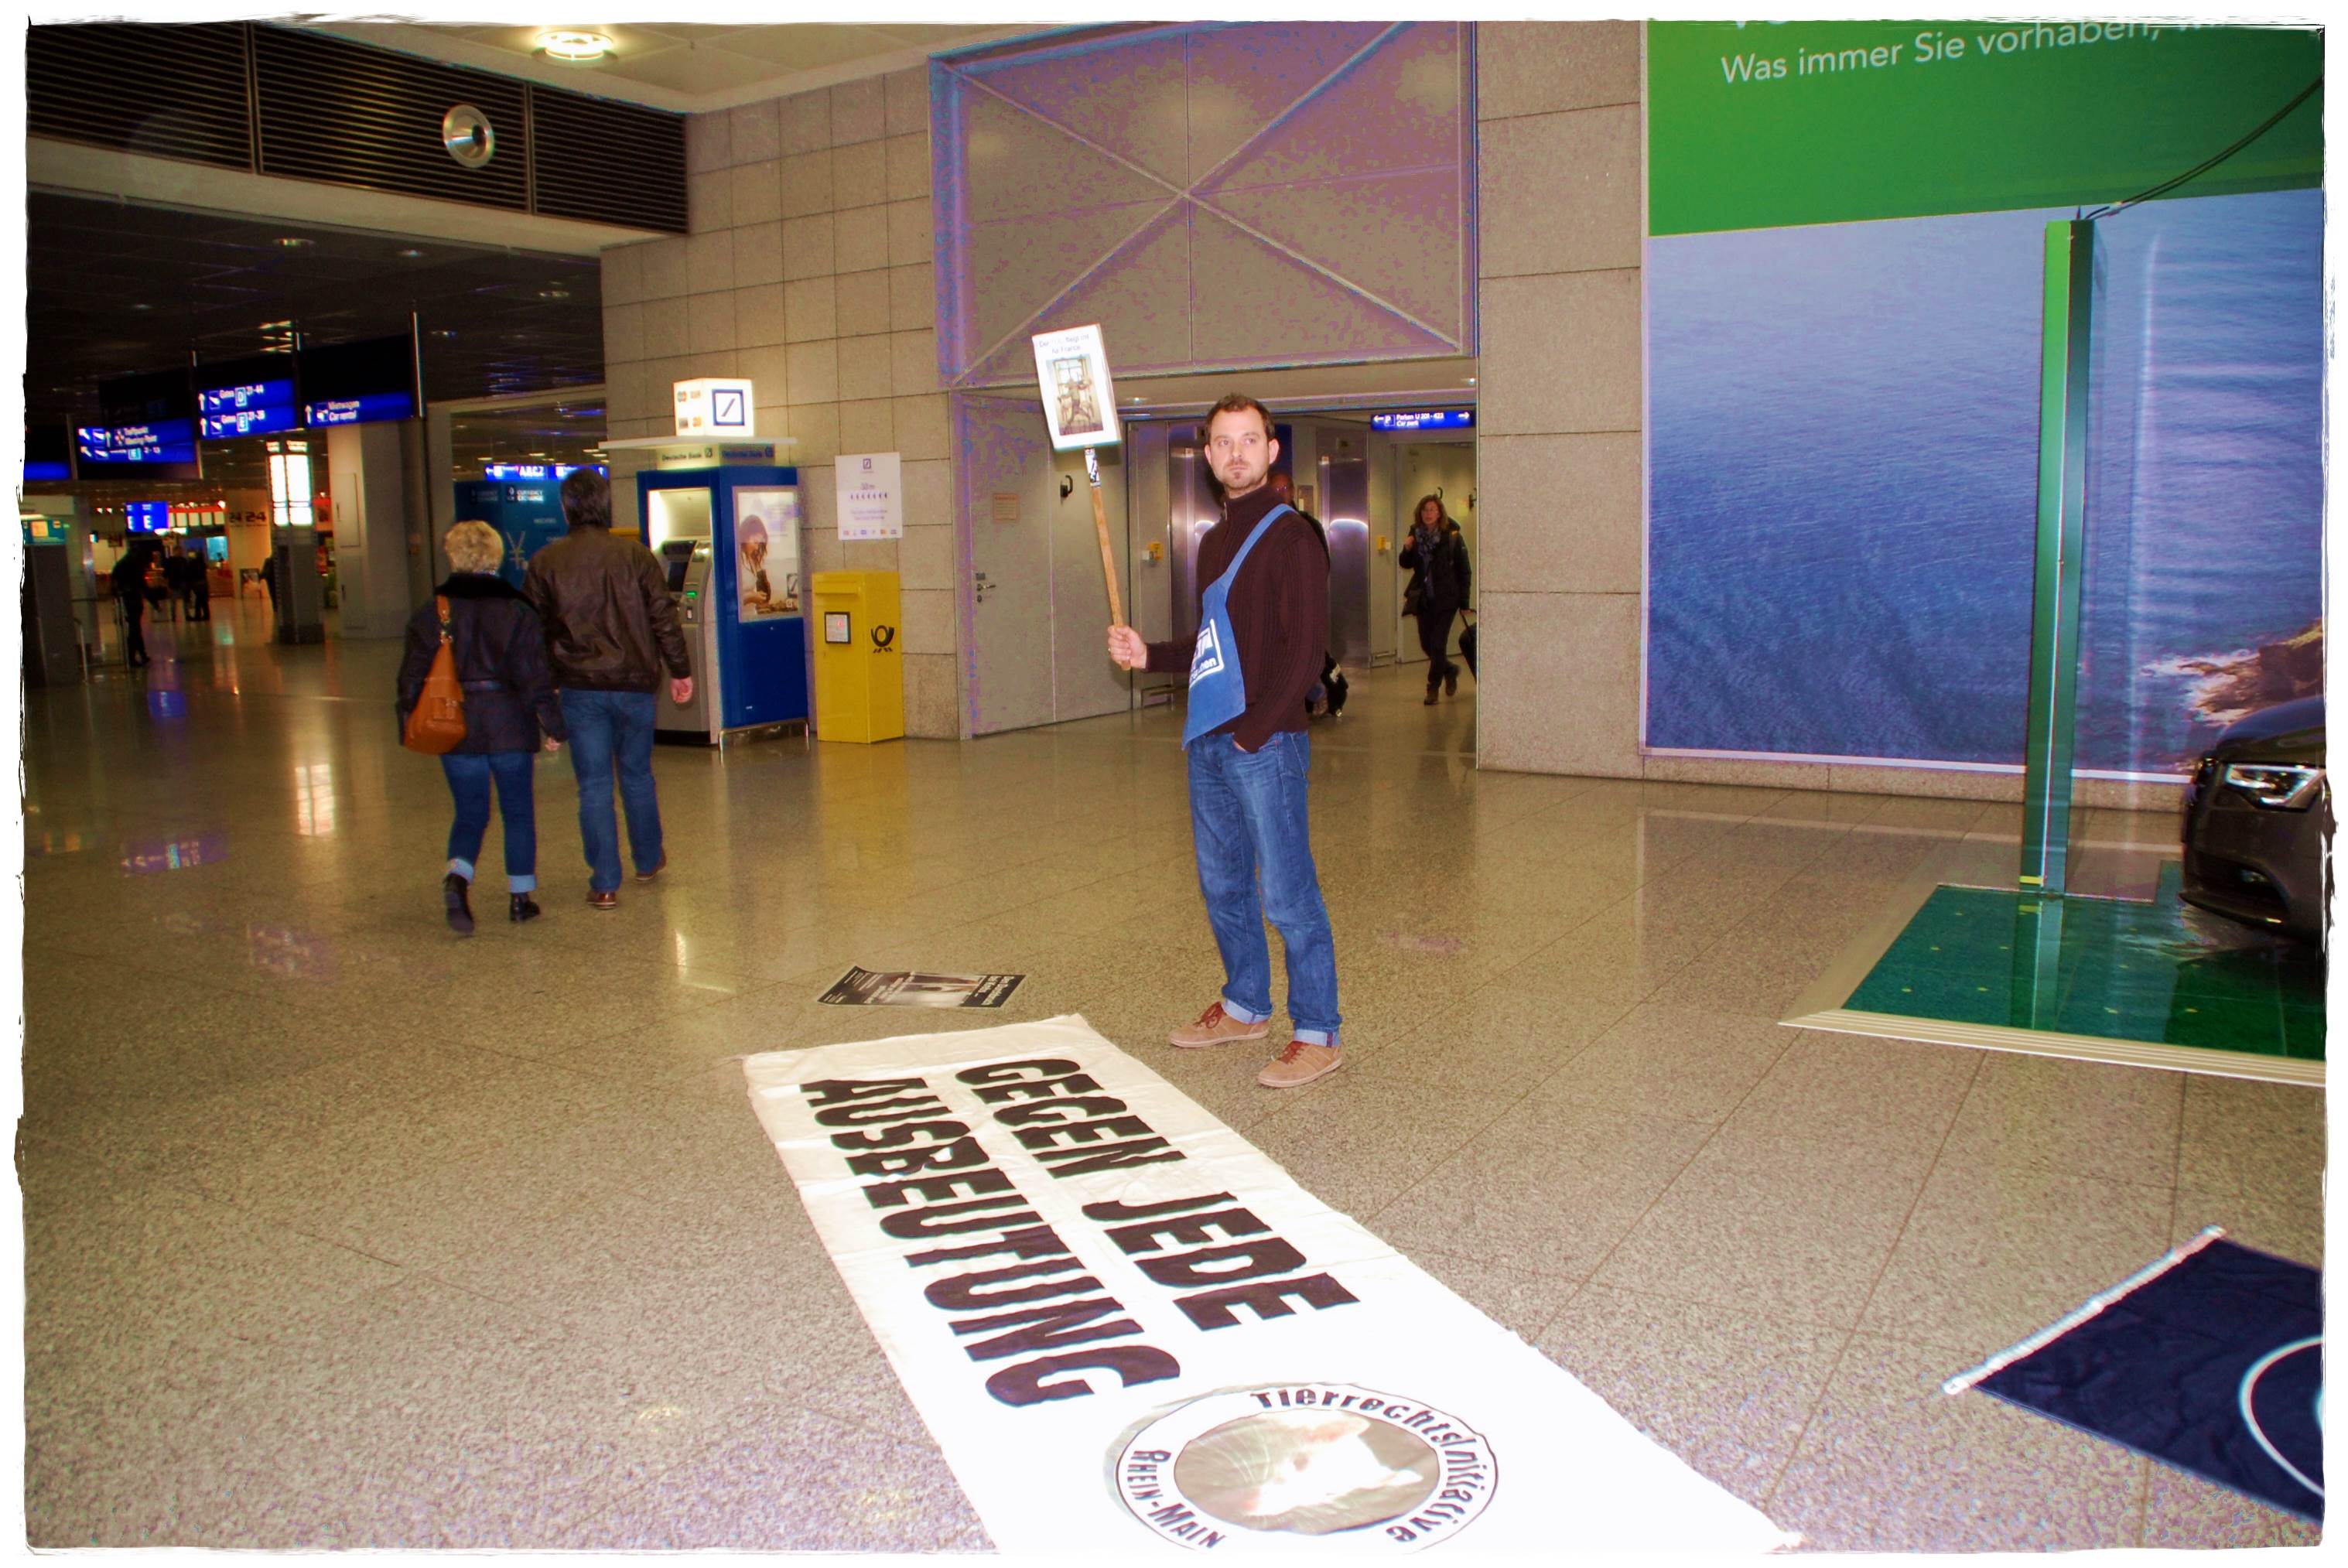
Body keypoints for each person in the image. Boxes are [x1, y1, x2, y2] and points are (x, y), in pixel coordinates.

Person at [1108, 394, 1343, 1089]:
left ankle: (1318, 1030)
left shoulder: (1293, 538)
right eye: (1222, 442)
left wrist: (1252, 733)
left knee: (1288, 894)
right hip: (1211, 739)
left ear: (1271, 450)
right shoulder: (1213, 541)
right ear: (1208, 456)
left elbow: (1305, 654)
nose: (1235, 452)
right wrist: (1148, 654)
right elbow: (1212, 643)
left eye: (1248, 440)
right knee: (1223, 885)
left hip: (1263, 743)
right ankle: (1244, 1005)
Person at [524, 469, 693, 910]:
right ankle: (648, 859)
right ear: (606, 506)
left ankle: (604, 883)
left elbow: (533, 634)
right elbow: (663, 617)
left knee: (594, 784)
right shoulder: (636, 556)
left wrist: (545, 691)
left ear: (566, 509)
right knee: (637, 774)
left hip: (578, 687)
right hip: (635, 683)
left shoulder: (545, 562)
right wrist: (680, 669)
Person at [398, 521, 566, 934]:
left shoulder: (433, 612)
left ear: (452, 556)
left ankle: (458, 878)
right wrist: (553, 725)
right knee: (518, 812)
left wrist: (408, 720)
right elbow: (535, 677)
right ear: (495, 557)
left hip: (454, 724)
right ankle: (520, 899)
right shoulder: (517, 611)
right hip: (509, 723)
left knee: (470, 811)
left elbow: (411, 677)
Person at [1400, 494, 1471, 705]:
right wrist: (1407, 549)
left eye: (1432, 510)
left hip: (1447, 599)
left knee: (1438, 644)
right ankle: (1450, 670)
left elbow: (1464, 570)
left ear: (1439, 513)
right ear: (1419, 513)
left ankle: (1433, 687)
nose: (1428, 513)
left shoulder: (1452, 536)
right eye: (1425, 510)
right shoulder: (1415, 534)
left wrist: (1465, 602)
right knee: (1426, 644)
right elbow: (1405, 563)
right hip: (1424, 599)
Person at [111, 541, 153, 669]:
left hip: (125, 598)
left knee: (134, 628)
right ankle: (133, 656)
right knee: (134, 629)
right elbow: (142, 584)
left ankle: (140, 655)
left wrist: (116, 593)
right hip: (133, 598)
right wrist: (153, 601)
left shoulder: (121, 564)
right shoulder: (135, 565)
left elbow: (114, 580)